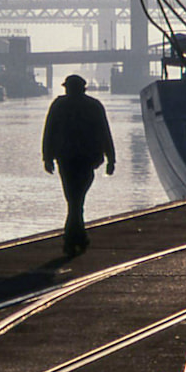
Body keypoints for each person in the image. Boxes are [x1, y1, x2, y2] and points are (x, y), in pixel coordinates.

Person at [42, 74, 116, 256]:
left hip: (66, 158)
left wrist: (47, 157)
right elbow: (104, 132)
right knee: (77, 197)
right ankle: (76, 236)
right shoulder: (94, 106)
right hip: (88, 158)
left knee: (72, 197)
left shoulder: (58, 105)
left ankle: (73, 237)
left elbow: (49, 131)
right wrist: (110, 159)